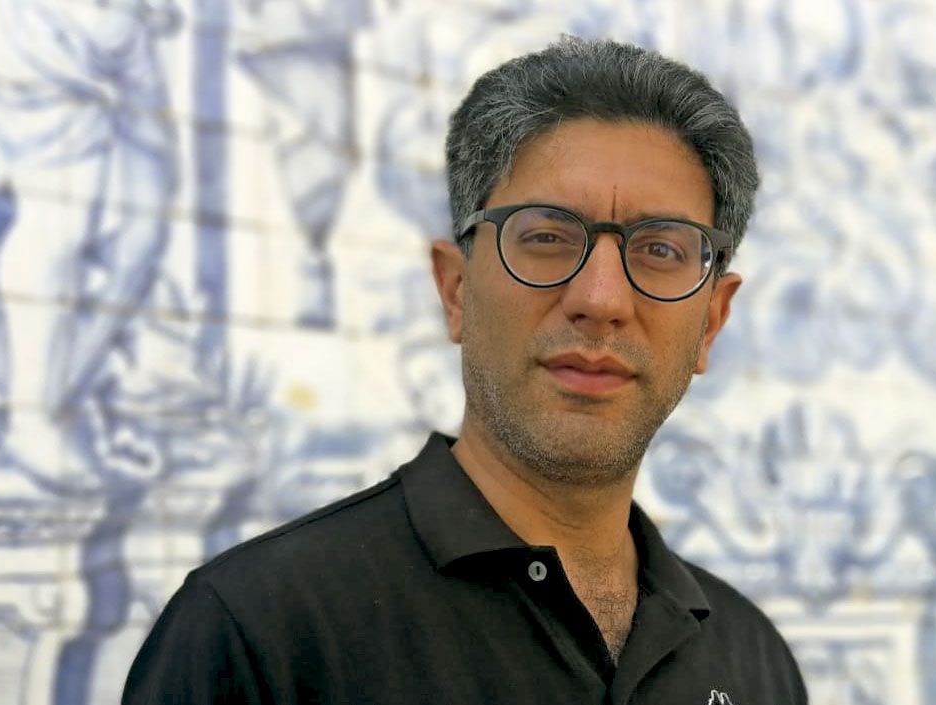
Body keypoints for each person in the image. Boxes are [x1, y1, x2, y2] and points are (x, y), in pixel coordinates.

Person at [122, 37, 808, 704]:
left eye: (660, 249)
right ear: (454, 291)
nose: (600, 300)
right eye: (546, 236)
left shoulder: (753, 660)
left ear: (710, 321)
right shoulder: (258, 632)